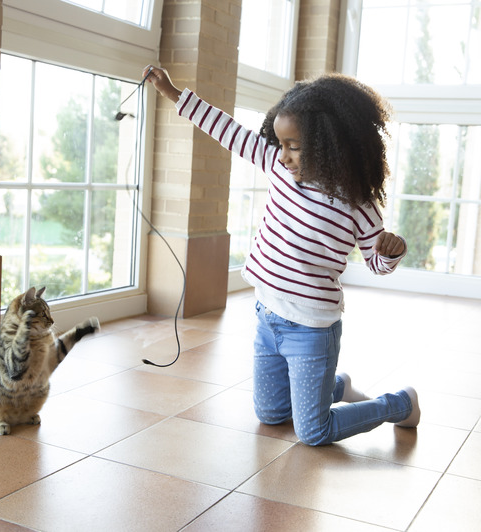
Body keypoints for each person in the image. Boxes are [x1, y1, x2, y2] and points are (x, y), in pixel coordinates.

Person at [144, 65, 420, 446]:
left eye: (294, 146)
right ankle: (336, 387)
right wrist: (174, 93)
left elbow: (376, 262)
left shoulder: (358, 202)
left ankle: (400, 404)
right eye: (281, 143)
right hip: (267, 317)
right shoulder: (277, 164)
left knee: (314, 432)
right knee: (271, 414)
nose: (284, 155)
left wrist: (391, 251)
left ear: (328, 144)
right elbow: (228, 131)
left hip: (311, 331)